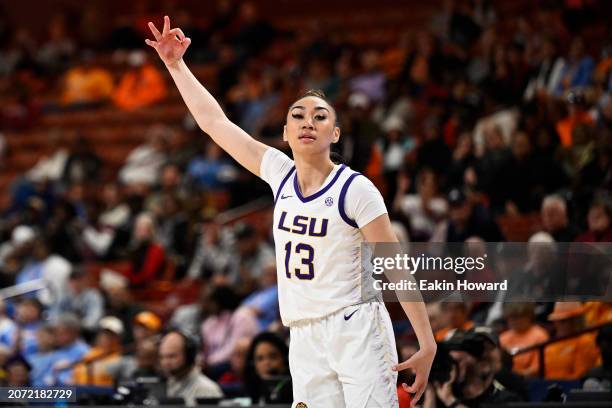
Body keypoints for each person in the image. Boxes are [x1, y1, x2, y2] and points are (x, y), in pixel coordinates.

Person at [145, 16, 436, 407]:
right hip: (303, 333)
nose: (307, 122)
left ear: (334, 134)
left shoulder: (356, 188)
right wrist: (176, 66)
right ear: (284, 133)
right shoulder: (279, 173)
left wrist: (426, 341)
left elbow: (395, 264)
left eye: (320, 116)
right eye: (297, 115)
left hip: (356, 326)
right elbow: (214, 122)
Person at [159, 331, 223, 406]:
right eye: (162, 357)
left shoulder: (207, 390)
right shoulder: (166, 385)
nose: (165, 362)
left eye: (172, 356)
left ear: (189, 356)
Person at [243, 332, 292, 404]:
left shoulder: (297, 391)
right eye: (260, 358)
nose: (266, 363)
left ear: (285, 359)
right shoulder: (251, 391)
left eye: (273, 356)